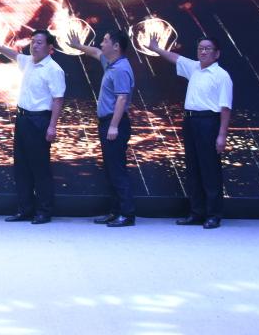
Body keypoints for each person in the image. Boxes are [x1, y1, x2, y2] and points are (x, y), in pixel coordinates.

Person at [149, 33, 232, 229]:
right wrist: (156, 49)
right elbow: (176, 58)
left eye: (207, 48)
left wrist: (222, 135)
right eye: (200, 48)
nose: (203, 52)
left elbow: (226, 108)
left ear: (217, 53)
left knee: (210, 169)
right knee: (193, 168)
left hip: (209, 122)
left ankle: (213, 215)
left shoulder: (222, 76)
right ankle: (196, 212)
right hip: (190, 121)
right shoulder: (194, 68)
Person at [0, 29, 65, 224]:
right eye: (33, 41)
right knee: (22, 167)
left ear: (50, 47)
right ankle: (25, 209)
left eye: (39, 42)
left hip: (40, 120)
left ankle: (44, 211)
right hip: (22, 119)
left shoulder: (54, 70)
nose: (34, 45)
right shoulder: (29, 62)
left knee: (40, 168)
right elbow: (14, 55)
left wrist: (52, 126)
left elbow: (58, 100)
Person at [68, 28, 136, 227]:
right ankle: (115, 211)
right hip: (108, 123)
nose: (101, 44)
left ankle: (127, 214)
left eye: (105, 40)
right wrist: (77, 46)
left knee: (117, 170)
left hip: (115, 123)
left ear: (116, 46)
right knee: (111, 170)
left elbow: (122, 98)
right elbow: (97, 53)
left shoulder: (121, 69)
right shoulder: (112, 64)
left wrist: (113, 126)